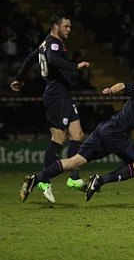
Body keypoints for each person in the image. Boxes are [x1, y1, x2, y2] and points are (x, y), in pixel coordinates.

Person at [19, 78, 134, 202]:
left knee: (75, 162)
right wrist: (111, 90)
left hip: (105, 129)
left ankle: (35, 179)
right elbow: (125, 86)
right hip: (115, 131)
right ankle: (99, 181)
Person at [10, 12, 91, 203]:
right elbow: (53, 59)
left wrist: (19, 79)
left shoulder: (44, 43)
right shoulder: (53, 44)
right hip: (56, 95)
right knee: (58, 138)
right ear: (55, 26)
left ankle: (74, 179)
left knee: (78, 134)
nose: (69, 30)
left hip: (63, 95)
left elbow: (31, 59)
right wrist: (75, 67)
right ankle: (44, 181)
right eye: (66, 26)